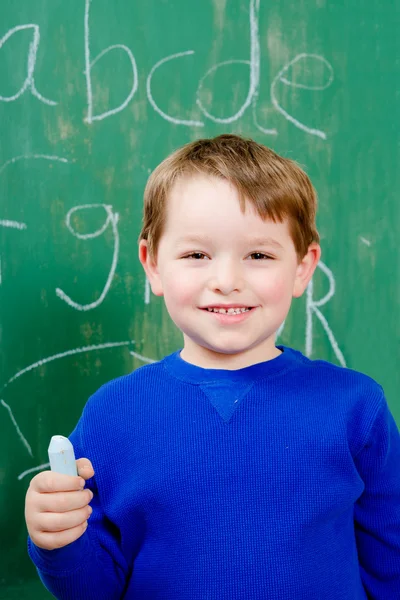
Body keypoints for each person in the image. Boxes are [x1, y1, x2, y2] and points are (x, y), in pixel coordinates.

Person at [25, 134, 400, 599]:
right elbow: (93, 590)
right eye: (197, 255)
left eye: (259, 255)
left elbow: (391, 563)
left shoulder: (356, 407)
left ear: (303, 267)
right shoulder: (113, 415)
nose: (227, 281)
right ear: (154, 264)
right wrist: (56, 541)